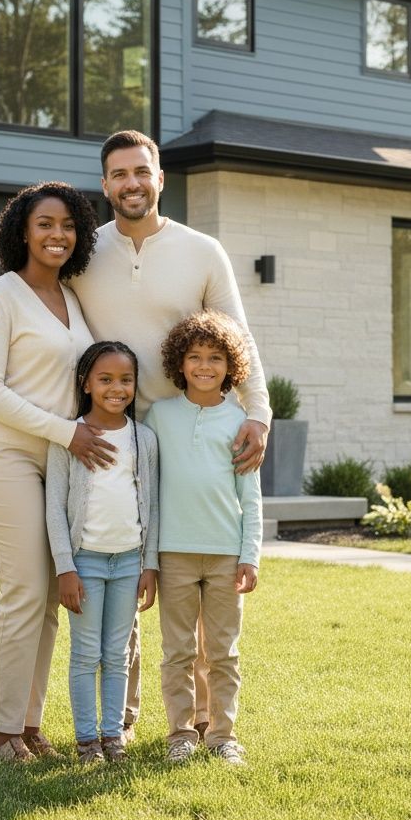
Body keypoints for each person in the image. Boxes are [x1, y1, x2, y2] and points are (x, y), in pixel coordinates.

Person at [0, 129, 272, 738]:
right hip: (104, 440)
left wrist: (257, 413)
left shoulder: (202, 251)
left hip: (187, 440)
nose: (131, 184)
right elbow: (23, 296)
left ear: (160, 178)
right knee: (114, 576)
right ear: (105, 186)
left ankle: (211, 726)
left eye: (141, 172)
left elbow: (240, 336)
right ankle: (117, 722)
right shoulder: (84, 254)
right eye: (118, 175)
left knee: (194, 583)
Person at [0, 181, 117, 763]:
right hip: (2, 454)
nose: (57, 235)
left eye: (68, 226)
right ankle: (1, 732)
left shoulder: (74, 298)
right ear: (21, 231)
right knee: (24, 589)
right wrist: (70, 433)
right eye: (45, 224)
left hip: (57, 459)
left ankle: (28, 725)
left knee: (53, 593)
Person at [144, 310, 262, 766]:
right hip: (173, 554)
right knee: (177, 650)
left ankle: (221, 735)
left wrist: (249, 555)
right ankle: (180, 734)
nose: (205, 366)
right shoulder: (160, 416)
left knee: (222, 652)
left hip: (225, 558)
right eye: (195, 356)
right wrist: (149, 559)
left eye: (215, 357)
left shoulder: (241, 422)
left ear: (230, 366)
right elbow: (149, 495)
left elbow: (250, 499)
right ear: (180, 362)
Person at [45, 341, 159, 763]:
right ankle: (86, 740)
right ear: (86, 383)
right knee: (85, 652)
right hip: (86, 562)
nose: (117, 388)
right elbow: (54, 508)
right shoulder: (67, 438)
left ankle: (113, 736)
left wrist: (150, 565)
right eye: (106, 379)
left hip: (129, 562)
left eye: (126, 380)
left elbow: (154, 505)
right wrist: (65, 569)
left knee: (117, 653)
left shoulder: (142, 439)